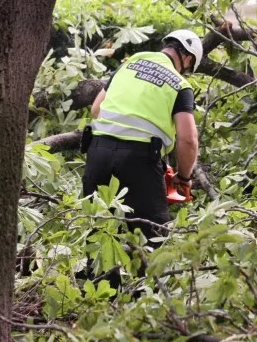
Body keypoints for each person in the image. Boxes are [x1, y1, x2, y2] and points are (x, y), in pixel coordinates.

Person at [82, 29, 202, 246]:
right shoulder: (179, 84)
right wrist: (183, 178)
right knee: (153, 238)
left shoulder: (129, 64)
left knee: (100, 234)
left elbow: (96, 108)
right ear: (188, 58)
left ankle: (99, 279)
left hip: (97, 152)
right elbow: (188, 140)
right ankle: (149, 281)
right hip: (139, 161)